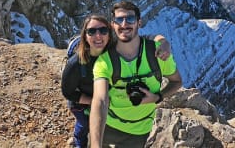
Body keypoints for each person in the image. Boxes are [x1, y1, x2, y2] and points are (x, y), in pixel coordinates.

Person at [61, 14, 171, 148]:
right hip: (82, 103)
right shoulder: (76, 64)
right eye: (92, 31)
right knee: (85, 124)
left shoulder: (114, 48)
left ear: (109, 33)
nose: (98, 35)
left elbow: (145, 39)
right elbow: (68, 92)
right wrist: (93, 101)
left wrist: (163, 42)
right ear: (85, 35)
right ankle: (79, 143)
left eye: (103, 30)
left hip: (107, 102)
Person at [89, 1, 183, 148]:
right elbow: (100, 101)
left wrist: (158, 97)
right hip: (109, 125)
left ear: (139, 23)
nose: (124, 24)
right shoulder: (105, 61)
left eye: (130, 19)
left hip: (139, 131)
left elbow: (177, 82)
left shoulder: (158, 53)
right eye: (119, 20)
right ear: (113, 24)